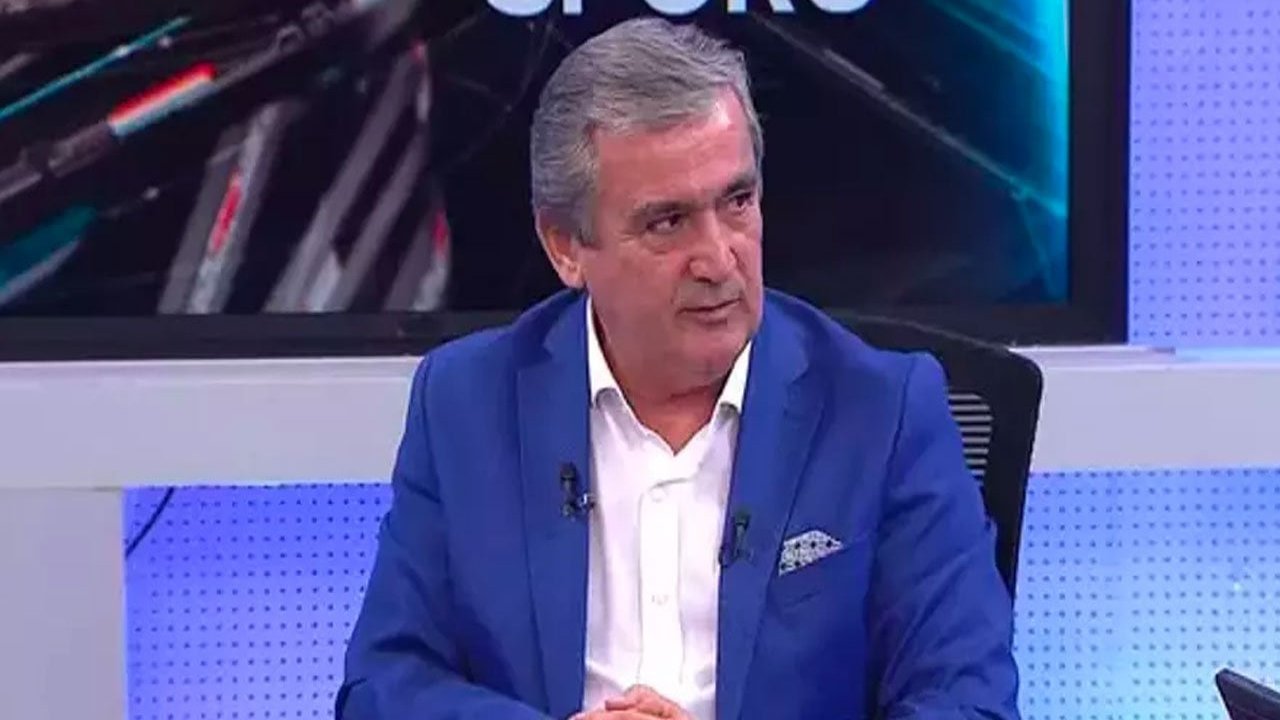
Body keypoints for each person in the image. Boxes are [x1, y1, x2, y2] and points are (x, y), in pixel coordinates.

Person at [337, 16, 1019, 720]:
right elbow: (381, 686)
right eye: (668, 222)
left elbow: (969, 702)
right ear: (566, 246)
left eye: (737, 202)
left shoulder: (883, 411)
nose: (719, 259)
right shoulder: (466, 403)